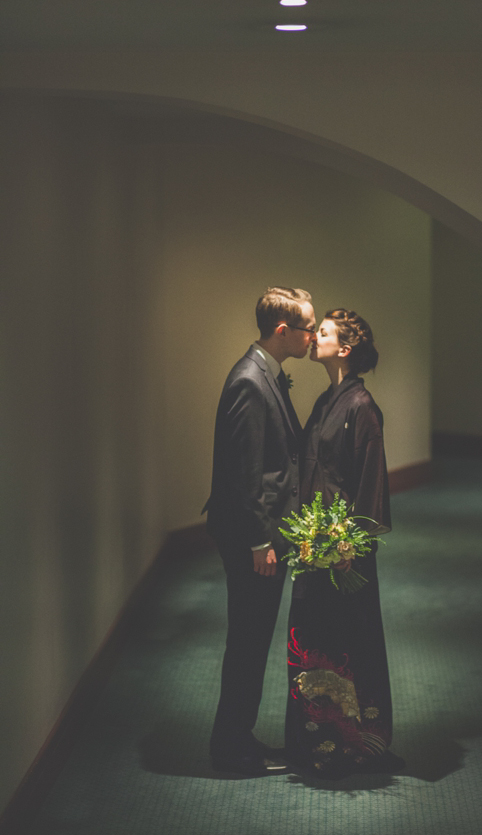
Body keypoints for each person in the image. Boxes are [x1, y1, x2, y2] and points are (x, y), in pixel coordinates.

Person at [284, 308, 403, 778]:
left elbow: (370, 487)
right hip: (316, 546)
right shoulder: (328, 399)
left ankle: (357, 744)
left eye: (325, 333)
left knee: (350, 641)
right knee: (315, 639)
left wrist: (348, 548)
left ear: (345, 349)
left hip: (343, 554)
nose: (315, 338)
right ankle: (318, 741)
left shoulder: (361, 406)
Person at [205, 286, 316, 776]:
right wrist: (259, 542)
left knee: (252, 639)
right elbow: (243, 472)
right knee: (248, 642)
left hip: (263, 535)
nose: (312, 336)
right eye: (308, 328)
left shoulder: (266, 373)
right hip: (253, 540)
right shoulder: (251, 381)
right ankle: (231, 751)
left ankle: (239, 739)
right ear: (282, 331)